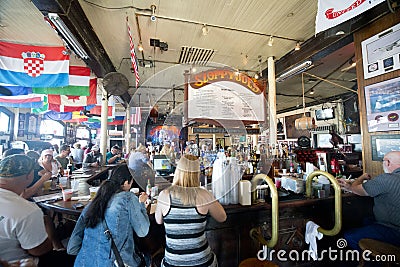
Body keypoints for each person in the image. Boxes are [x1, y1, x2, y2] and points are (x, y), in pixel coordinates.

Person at [67, 164, 150, 266]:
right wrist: (141, 204)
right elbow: (142, 231)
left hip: (83, 262)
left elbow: (72, 248)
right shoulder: (127, 198)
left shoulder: (94, 202)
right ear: (126, 182)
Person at [0, 155, 75, 266]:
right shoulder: (26, 210)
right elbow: (40, 250)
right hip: (22, 262)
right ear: (30, 175)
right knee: (78, 259)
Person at [155, 154, 227, 267]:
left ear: (178, 170)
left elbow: (158, 221)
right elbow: (222, 217)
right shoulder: (204, 195)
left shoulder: (164, 195)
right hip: (202, 262)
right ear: (197, 173)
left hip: (172, 262)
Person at [338, 151, 400, 251]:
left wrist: (361, 177)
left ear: (387, 162)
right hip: (393, 225)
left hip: (395, 231)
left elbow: (355, 189)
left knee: (350, 236)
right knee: (366, 220)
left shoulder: (386, 179)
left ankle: (375, 262)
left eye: (382, 161)